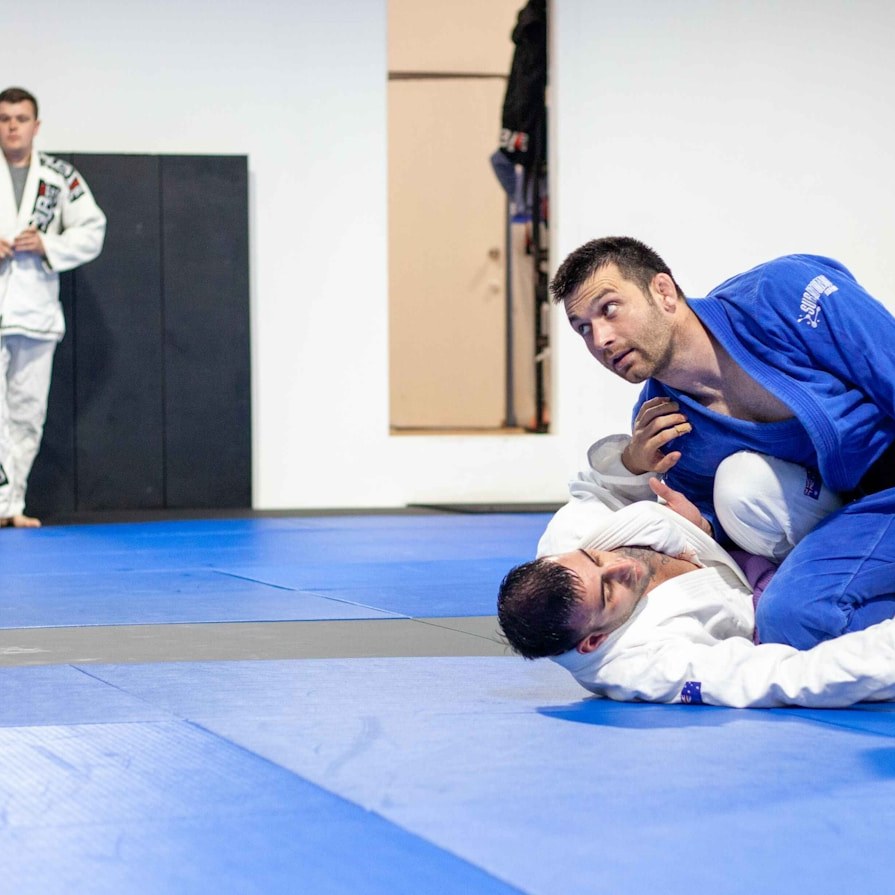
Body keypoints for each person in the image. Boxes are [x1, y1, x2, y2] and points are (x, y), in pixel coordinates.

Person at [549, 236, 895, 645]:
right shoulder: (663, 424)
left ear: (663, 292)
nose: (600, 340)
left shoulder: (784, 292)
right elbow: (714, 521)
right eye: (583, 328)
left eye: (609, 309)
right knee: (787, 619)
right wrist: (702, 527)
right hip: (858, 515)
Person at [497, 492, 895, 708]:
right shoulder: (645, 666)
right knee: (796, 618)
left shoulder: (565, 543)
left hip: (750, 532)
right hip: (781, 595)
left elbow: (598, 485)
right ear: (593, 641)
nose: (621, 567)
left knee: (744, 486)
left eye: (597, 558)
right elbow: (777, 679)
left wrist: (629, 458)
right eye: (609, 590)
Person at [0, 86, 106, 527]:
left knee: (27, 414)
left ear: (35, 125)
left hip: (36, 311)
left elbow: (93, 229)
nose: (12, 126)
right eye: (4, 118)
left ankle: (10, 507)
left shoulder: (61, 177)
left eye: (20, 118)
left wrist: (48, 243)